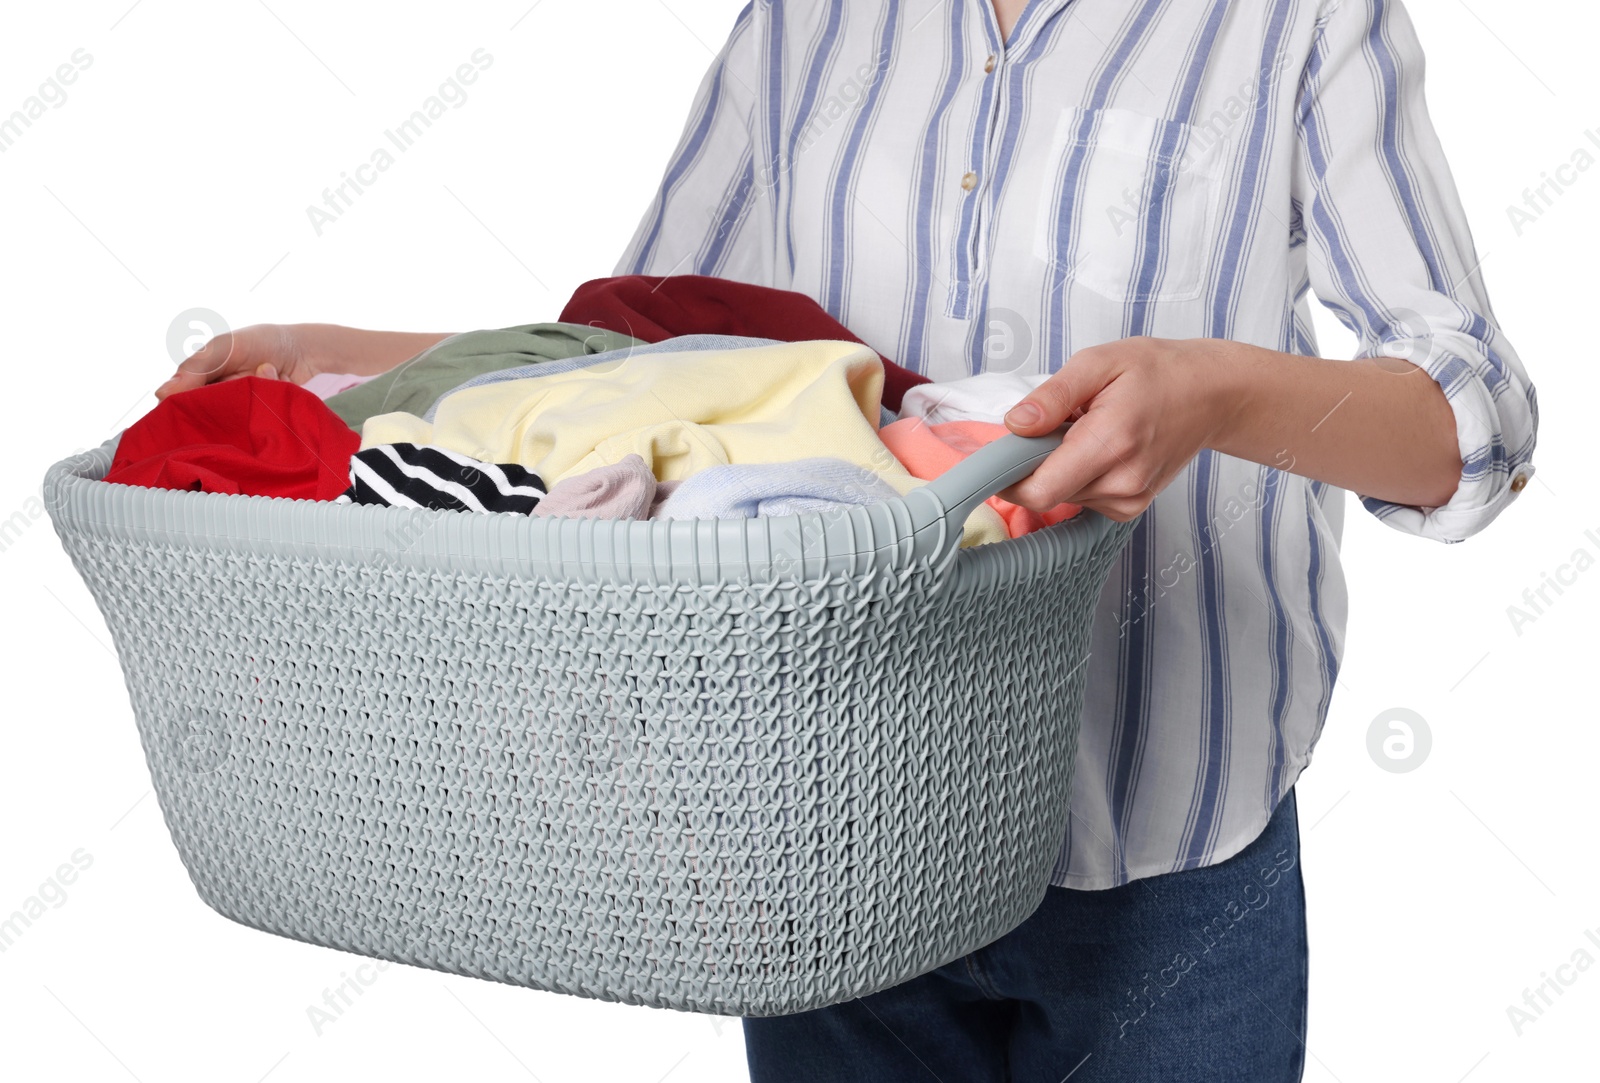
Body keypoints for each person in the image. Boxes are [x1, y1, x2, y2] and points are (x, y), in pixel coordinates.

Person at [156, 0, 1538, 1078]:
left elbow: (1473, 423)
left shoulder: (1293, 20)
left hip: (1172, 853)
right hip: (830, 841)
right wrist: (340, 359)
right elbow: (646, 356)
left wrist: (1219, 394)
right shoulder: (804, 24)